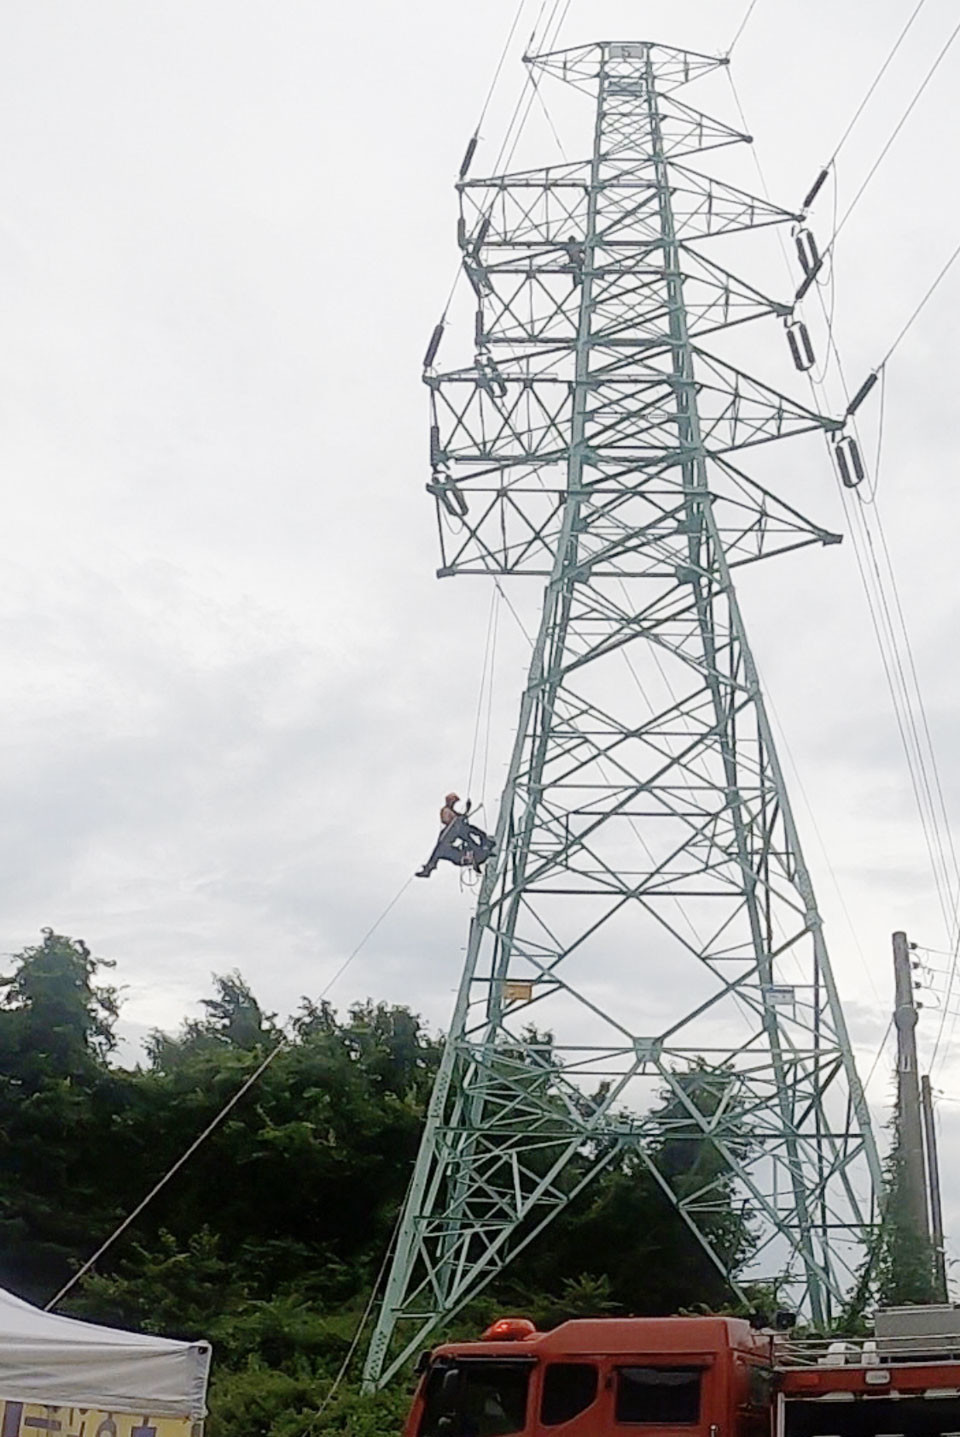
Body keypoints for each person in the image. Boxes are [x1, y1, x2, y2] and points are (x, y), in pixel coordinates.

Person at [417, 792, 495, 878]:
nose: (453, 804)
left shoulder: (453, 814)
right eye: (453, 802)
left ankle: (482, 846)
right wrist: (462, 817)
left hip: (456, 831)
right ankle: (428, 869)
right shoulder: (446, 811)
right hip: (450, 833)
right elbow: (451, 820)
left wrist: (467, 810)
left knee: (472, 832)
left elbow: (461, 817)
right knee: (467, 834)